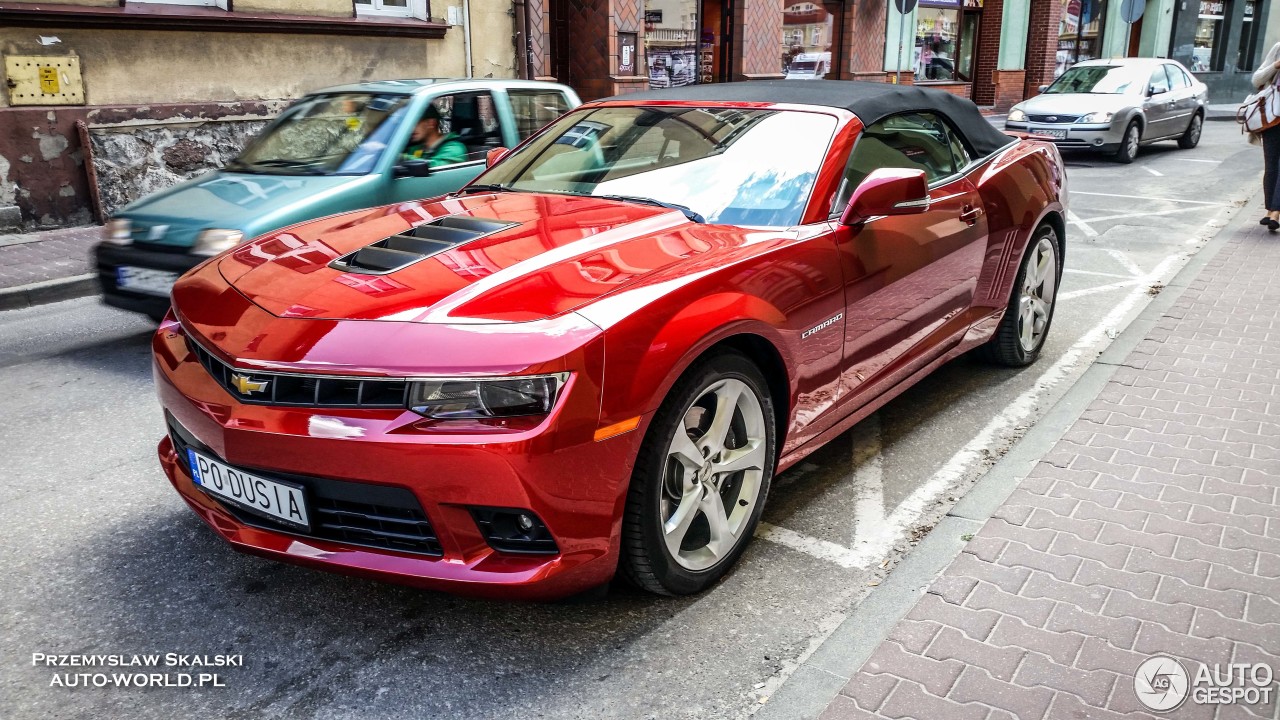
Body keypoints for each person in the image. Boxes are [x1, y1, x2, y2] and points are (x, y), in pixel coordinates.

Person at [1251, 41, 1280, 231]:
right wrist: (1276, 66)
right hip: (1273, 119)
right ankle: (1270, 209)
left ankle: (1275, 212)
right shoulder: (1278, 48)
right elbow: (1256, 80)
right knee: (1271, 167)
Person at [402, 105, 467, 167]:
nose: (410, 129)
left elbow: (438, 169)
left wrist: (402, 158)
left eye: (414, 123)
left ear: (431, 123)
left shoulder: (454, 148)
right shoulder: (417, 148)